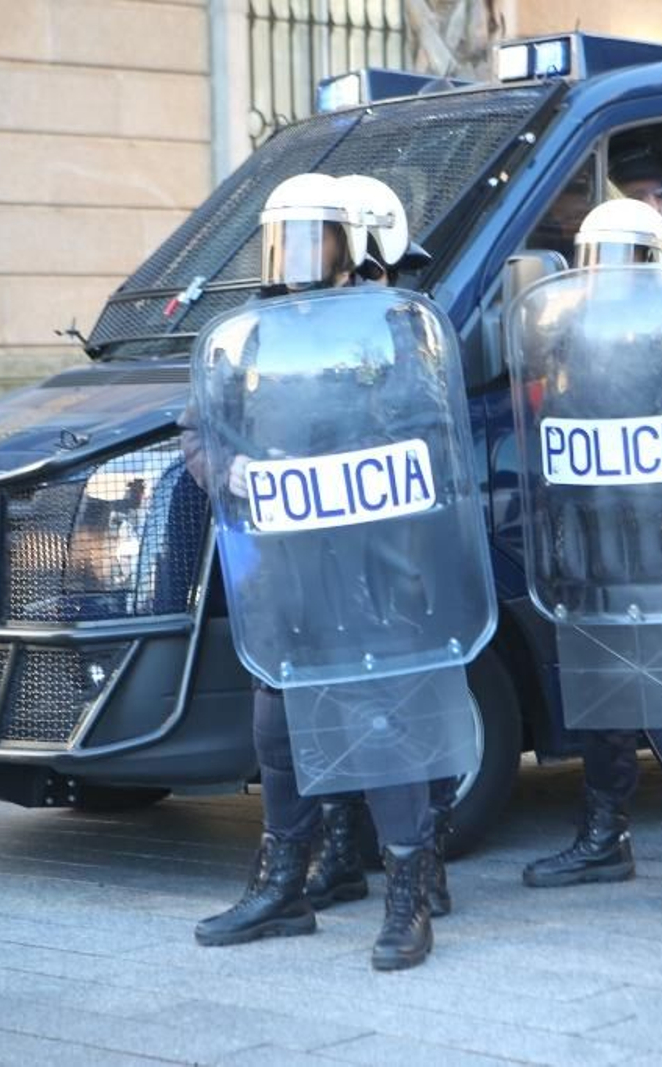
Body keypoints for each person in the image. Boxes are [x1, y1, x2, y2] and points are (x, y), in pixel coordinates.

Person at [180, 172, 441, 971]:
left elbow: (429, 433)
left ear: (349, 242)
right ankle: (283, 889)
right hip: (283, 563)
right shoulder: (251, 331)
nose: (296, 256)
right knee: (278, 725)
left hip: (366, 562)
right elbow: (202, 429)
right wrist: (228, 473)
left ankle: (408, 895)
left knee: (379, 719)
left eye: (314, 236)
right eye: (285, 236)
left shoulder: (388, 324)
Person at [521, 198, 662, 910]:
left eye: (621, 259)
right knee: (601, 690)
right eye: (598, 260)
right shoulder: (568, 326)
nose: (608, 278)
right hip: (590, 531)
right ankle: (605, 836)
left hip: (660, 533)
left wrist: (623, 441)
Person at [290, 174, 456, 922]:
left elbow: (417, 423)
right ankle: (342, 848)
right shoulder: (312, 317)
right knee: (330, 705)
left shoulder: (402, 321)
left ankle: (425, 872)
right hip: (323, 550)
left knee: (402, 706)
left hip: (392, 550)